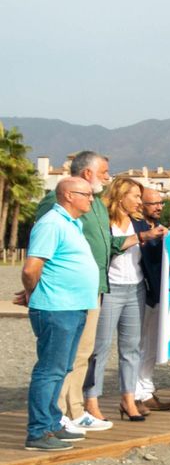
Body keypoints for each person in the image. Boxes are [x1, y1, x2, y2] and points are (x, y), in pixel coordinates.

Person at [35, 152, 125, 434]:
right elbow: (42, 246)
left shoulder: (96, 202)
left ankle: (75, 409)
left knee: (84, 352)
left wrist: (142, 237)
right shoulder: (57, 203)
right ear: (87, 173)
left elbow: (106, 243)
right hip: (65, 293)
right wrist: (33, 285)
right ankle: (60, 413)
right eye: (105, 171)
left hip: (93, 287)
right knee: (65, 357)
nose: (109, 176)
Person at [15, 179, 102, 451]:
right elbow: (31, 268)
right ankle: (38, 432)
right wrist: (32, 294)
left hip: (74, 306)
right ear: (67, 195)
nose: (91, 199)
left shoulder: (71, 224)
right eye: (86, 194)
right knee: (49, 370)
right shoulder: (52, 223)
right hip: (56, 307)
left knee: (62, 368)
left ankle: (52, 424)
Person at [84, 179, 149, 424]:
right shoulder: (103, 223)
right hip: (110, 289)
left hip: (137, 288)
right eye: (135, 196)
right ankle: (91, 401)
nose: (139, 201)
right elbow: (102, 251)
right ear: (120, 196)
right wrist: (139, 238)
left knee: (132, 348)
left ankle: (128, 399)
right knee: (99, 348)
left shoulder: (140, 222)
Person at [132, 187, 170, 413]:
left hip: (158, 293)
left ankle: (146, 390)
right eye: (153, 203)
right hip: (142, 292)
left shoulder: (158, 228)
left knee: (153, 346)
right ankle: (134, 393)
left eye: (161, 203)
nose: (158, 207)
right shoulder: (136, 228)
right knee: (137, 345)